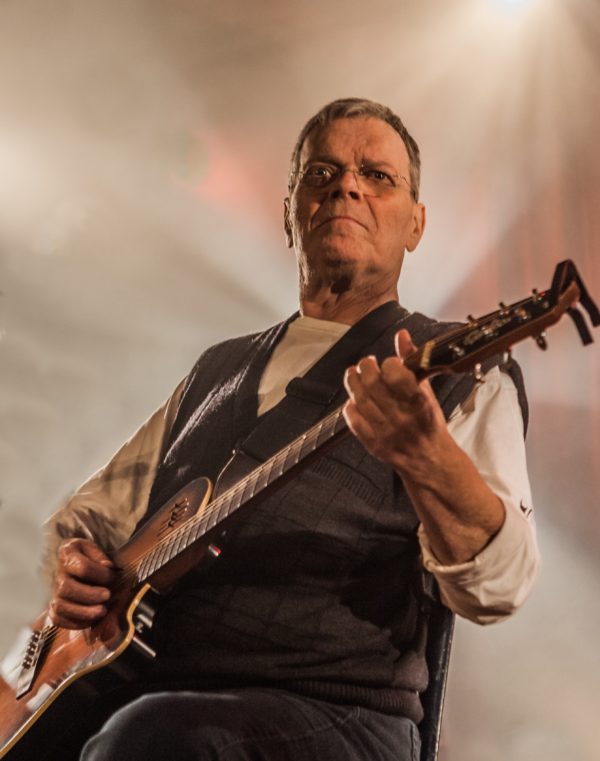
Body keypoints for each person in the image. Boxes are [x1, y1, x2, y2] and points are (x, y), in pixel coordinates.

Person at [43, 98, 539, 761]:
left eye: (377, 176)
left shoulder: (458, 371)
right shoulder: (215, 370)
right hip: (145, 694)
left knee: (151, 739)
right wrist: (72, 564)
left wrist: (428, 459)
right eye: (322, 172)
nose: (347, 186)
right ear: (288, 214)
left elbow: (501, 584)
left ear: (416, 224)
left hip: (338, 714)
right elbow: (86, 518)